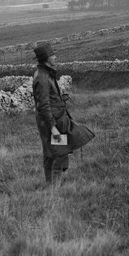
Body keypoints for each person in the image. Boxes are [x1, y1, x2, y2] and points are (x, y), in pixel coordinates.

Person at [32, 42, 94, 183]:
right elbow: (43, 106)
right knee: (59, 153)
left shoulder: (45, 73)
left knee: (51, 153)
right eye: (52, 55)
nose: (55, 57)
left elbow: (48, 100)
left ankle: (51, 186)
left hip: (56, 120)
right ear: (46, 58)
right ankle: (55, 189)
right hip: (53, 123)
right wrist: (53, 129)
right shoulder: (42, 77)